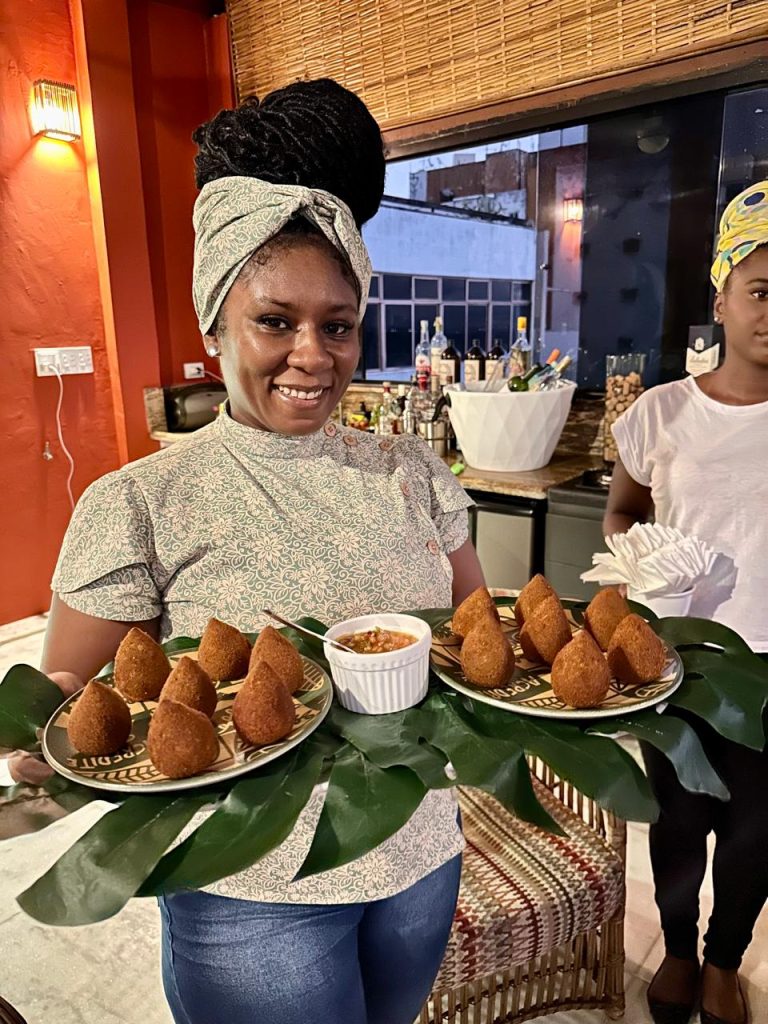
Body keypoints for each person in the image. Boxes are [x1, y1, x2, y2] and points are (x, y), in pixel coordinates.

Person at [7, 79, 486, 1024]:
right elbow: (73, 719)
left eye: (338, 324)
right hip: (253, 895)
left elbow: (473, 643)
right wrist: (42, 748)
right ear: (213, 322)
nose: (314, 354)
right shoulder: (140, 502)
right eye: (276, 321)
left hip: (423, 851)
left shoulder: (412, 470)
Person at [604, 180, 768, 1024]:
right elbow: (625, 513)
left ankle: (723, 962)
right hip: (683, 659)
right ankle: (673, 949)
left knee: (755, 831)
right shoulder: (664, 411)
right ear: (724, 295)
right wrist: (645, 580)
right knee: (677, 816)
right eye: (762, 290)